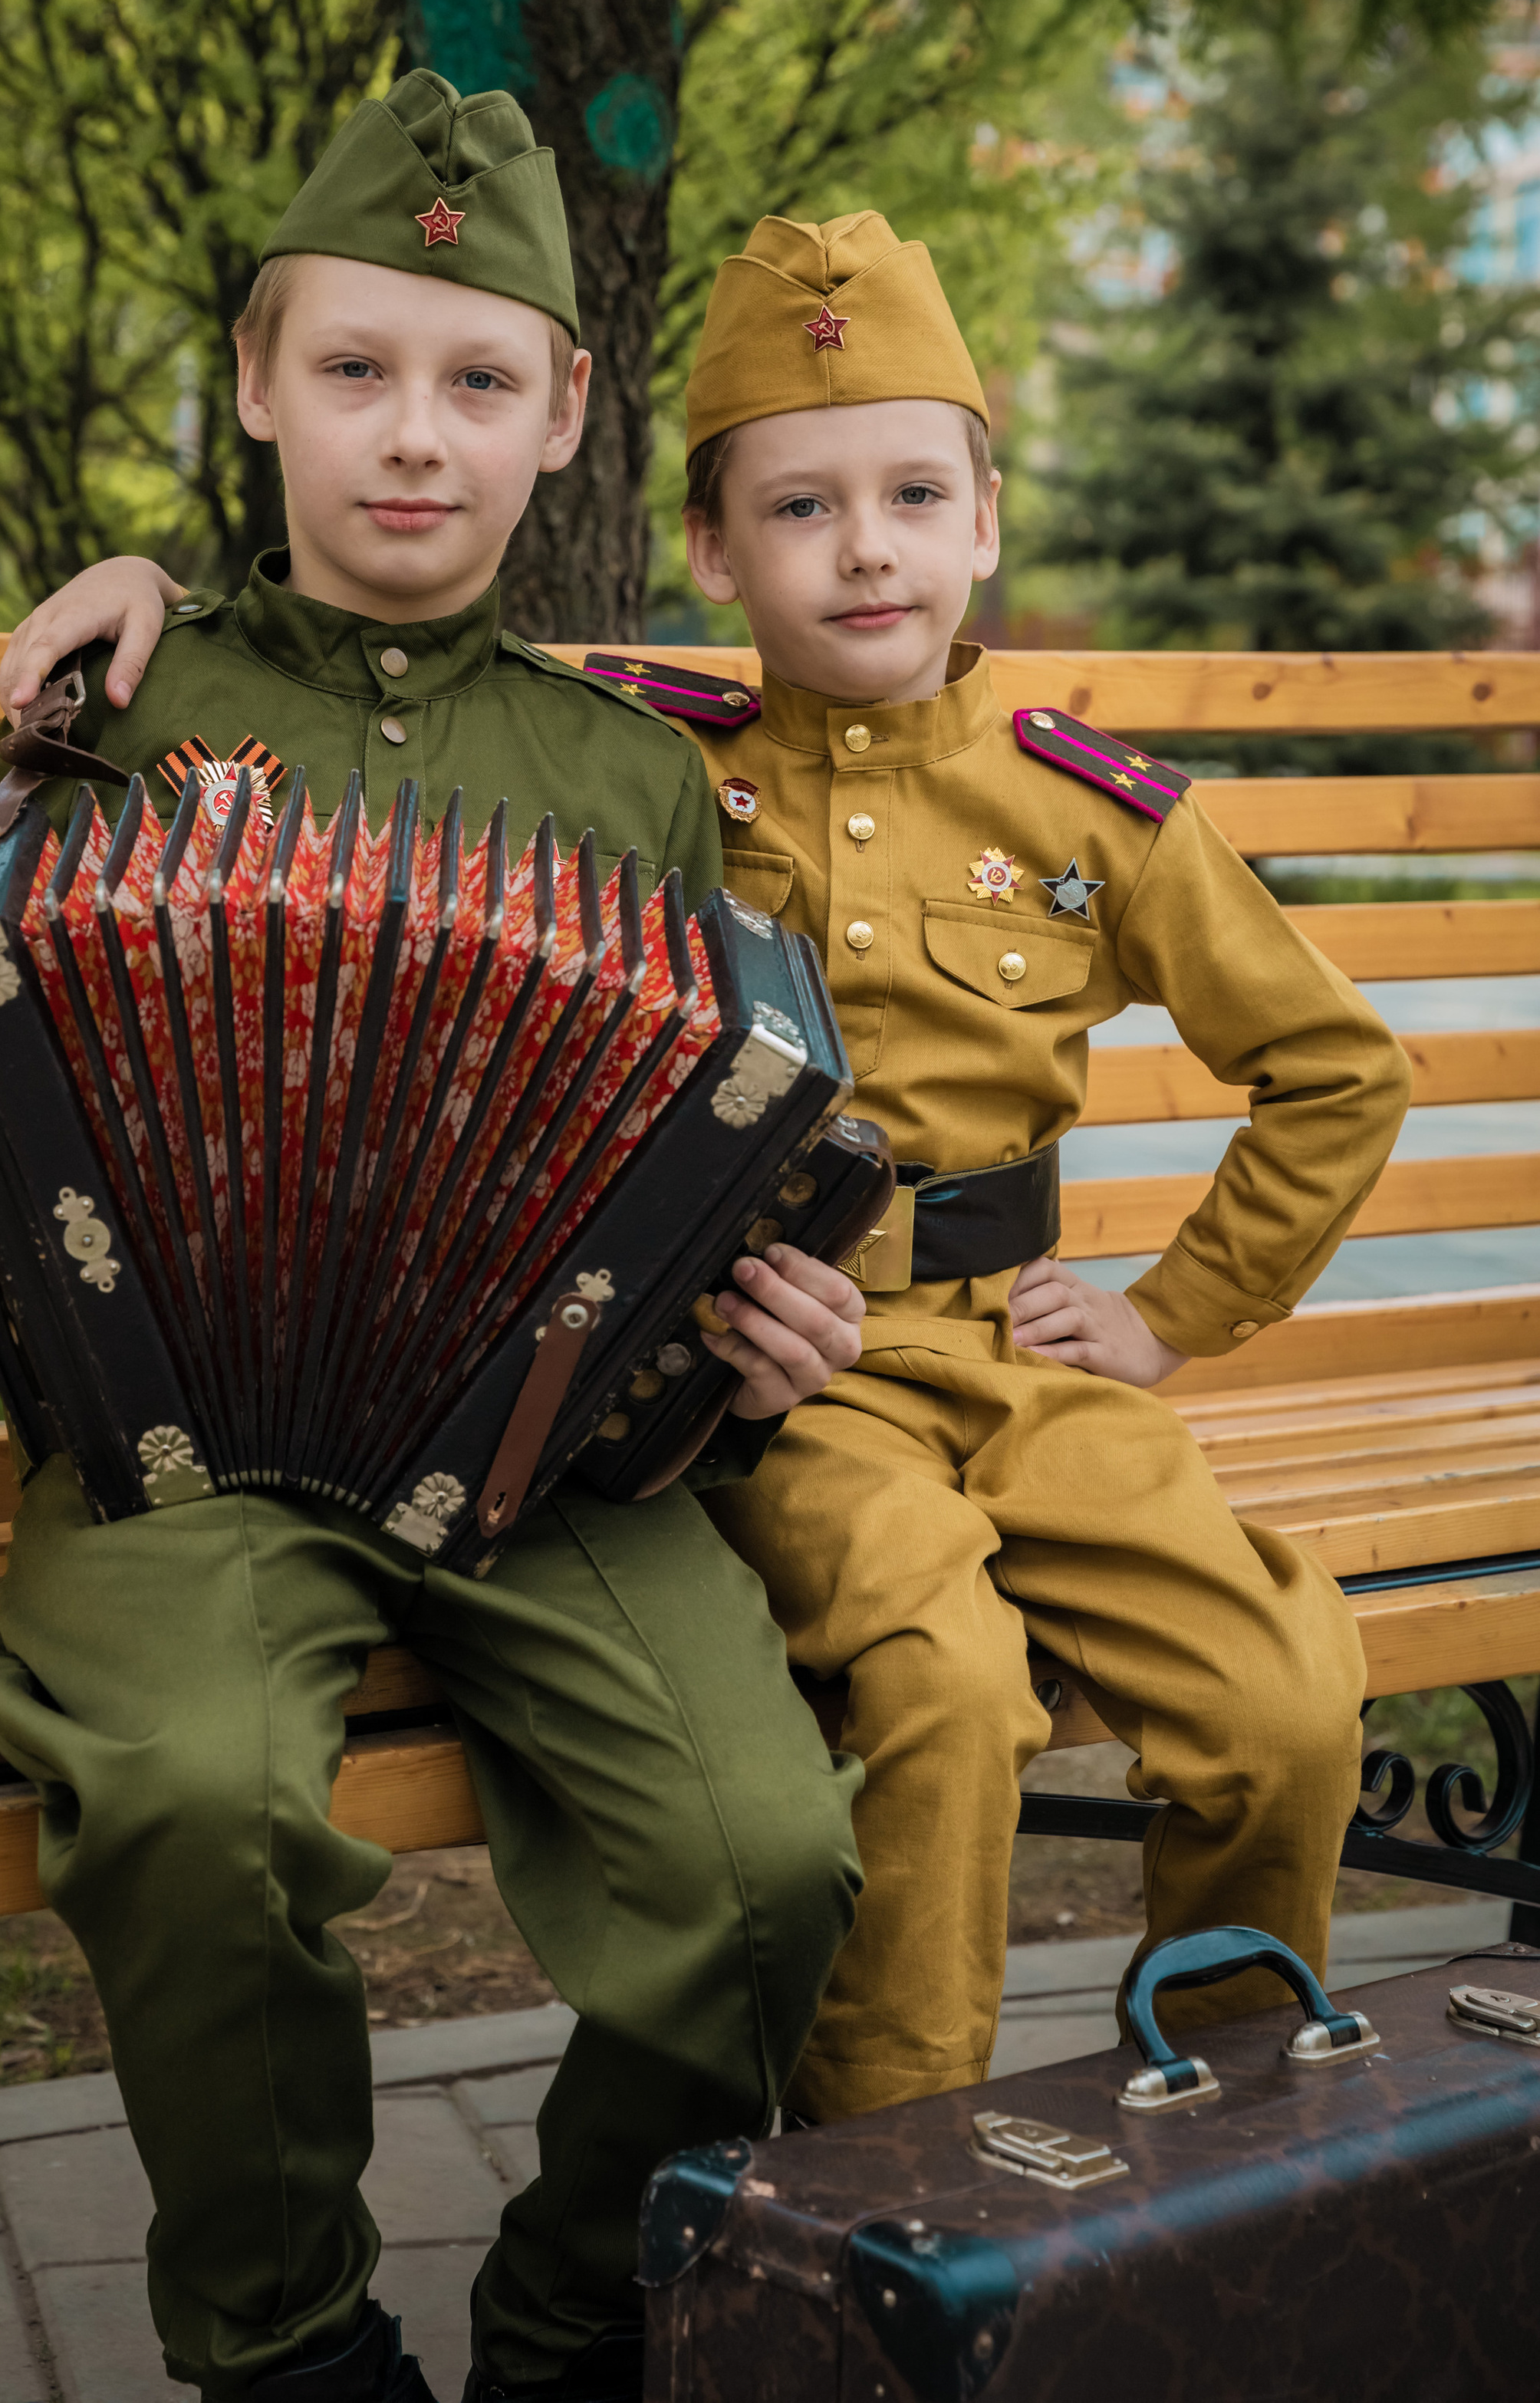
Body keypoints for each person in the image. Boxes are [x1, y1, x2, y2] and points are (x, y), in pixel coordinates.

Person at [0, 79, 867, 2403]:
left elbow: (708, 1139)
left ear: (567, 412)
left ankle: (573, 2322)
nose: (411, 439)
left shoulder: (635, 774)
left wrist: (761, 1319)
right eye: (352, 371)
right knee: (196, 1795)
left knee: (764, 1859)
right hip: (178, 1450)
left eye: (475, 382)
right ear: (255, 387)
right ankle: (288, 2345)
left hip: (545, 1449)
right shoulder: (118, 692)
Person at [583, 206, 1406, 2122]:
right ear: (711, 549)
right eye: (797, 508)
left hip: (1027, 1360)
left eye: (907, 494)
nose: (863, 548)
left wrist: (1168, 1316)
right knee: (940, 1690)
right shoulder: (645, 780)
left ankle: (1228, 2141)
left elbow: (1331, 1067)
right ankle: (889, 2194)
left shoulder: (1077, 806)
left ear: (984, 521)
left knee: (1281, 1703)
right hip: (786, 1385)